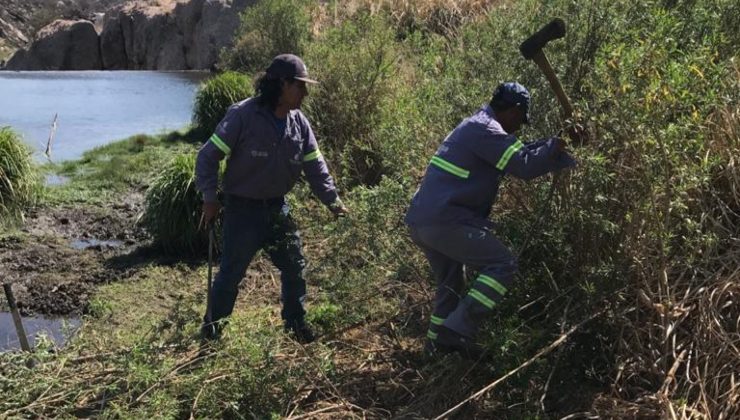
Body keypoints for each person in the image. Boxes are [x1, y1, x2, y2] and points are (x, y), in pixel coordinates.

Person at [405, 82, 576, 358]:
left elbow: (522, 151)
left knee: (450, 285)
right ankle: (458, 330)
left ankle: (435, 353)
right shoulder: (488, 130)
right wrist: (556, 147)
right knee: (501, 263)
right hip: (445, 221)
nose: (519, 127)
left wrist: (554, 145)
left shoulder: (478, 125)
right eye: (520, 119)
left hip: (423, 221)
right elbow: (524, 165)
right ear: (513, 110)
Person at [195, 54, 347, 343]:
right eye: (300, 86)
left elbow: (316, 166)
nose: (305, 93)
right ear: (281, 85)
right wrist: (209, 197)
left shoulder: (299, 123)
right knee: (230, 276)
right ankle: (212, 331)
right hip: (242, 212)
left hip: (278, 209)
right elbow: (207, 156)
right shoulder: (243, 116)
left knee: (294, 267)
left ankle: (296, 325)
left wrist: (333, 201)